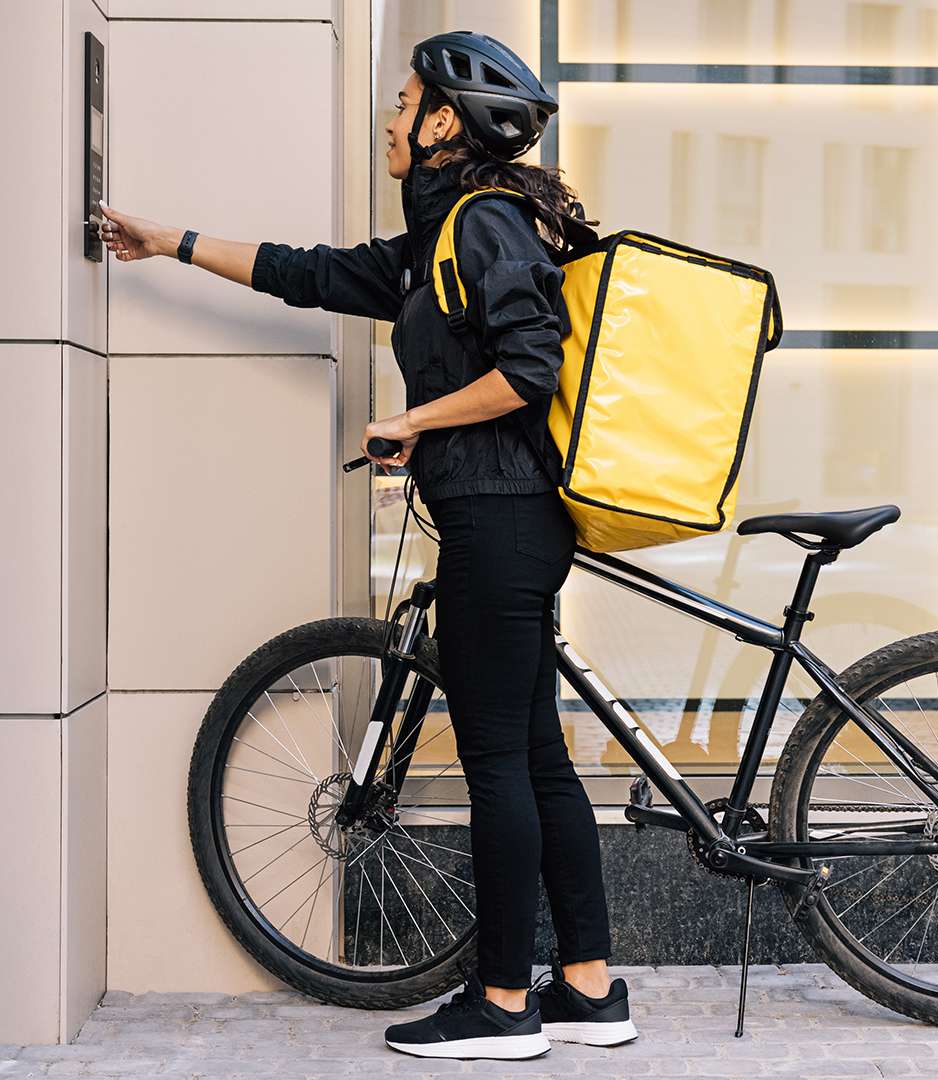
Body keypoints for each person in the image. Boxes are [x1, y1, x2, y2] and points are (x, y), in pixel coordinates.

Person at [97, 28, 637, 1063]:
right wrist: (168, 240)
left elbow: (531, 370)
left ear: (444, 122)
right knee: (535, 756)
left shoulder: (485, 226)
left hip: (500, 518)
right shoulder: (447, 237)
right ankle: (587, 987)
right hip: (508, 519)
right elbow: (314, 274)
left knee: (499, 763)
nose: (389, 119)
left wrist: (413, 421)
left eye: (403, 103)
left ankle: (502, 1009)